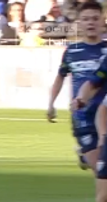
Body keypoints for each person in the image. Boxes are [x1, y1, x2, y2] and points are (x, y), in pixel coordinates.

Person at [48, 1, 106, 171]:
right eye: (86, 19)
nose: (91, 23)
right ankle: (86, 156)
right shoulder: (72, 52)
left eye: (95, 19)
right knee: (100, 170)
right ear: (79, 23)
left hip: (104, 112)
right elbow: (60, 77)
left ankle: (85, 157)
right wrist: (51, 104)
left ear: (103, 21)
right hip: (82, 115)